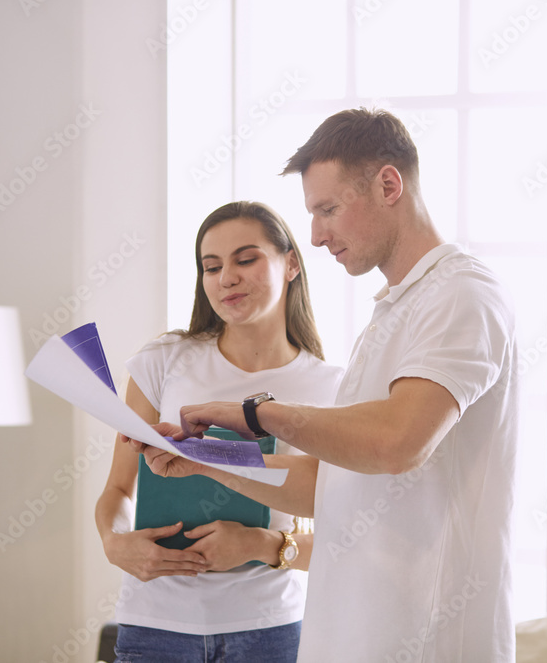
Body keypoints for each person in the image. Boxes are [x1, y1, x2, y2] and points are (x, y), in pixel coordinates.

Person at [141, 108, 520, 662]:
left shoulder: (462, 295)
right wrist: (198, 458)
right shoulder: (394, 313)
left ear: (389, 184)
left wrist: (257, 414)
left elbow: (396, 443)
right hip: (359, 637)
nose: (316, 236)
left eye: (328, 210)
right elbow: (330, 484)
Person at [95, 201, 343, 662]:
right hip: (155, 624)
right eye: (211, 267)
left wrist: (263, 545)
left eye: (245, 259)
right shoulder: (164, 360)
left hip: (270, 630)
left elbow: (347, 532)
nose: (226, 277)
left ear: (291, 263)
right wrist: (115, 544)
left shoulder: (330, 387)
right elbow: (117, 489)